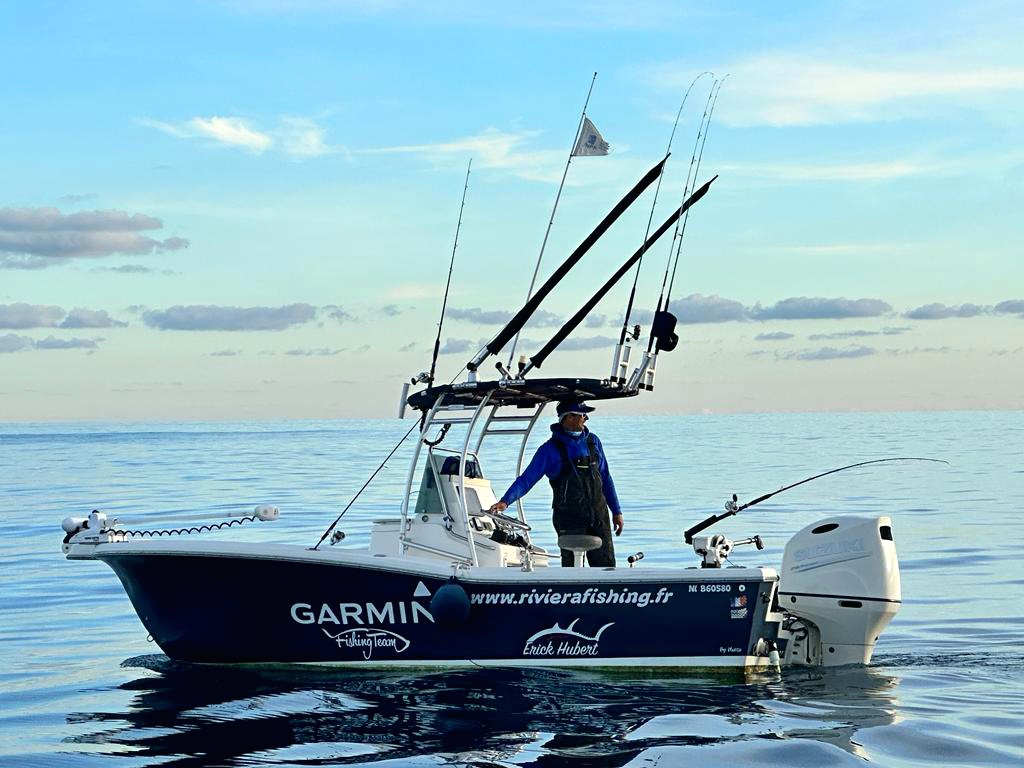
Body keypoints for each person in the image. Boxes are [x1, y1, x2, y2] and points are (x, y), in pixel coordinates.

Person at [488, 401, 623, 567]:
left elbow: (606, 478)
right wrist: (505, 501)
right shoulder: (549, 450)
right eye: (582, 415)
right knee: (571, 568)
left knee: (606, 566)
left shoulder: (593, 442)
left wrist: (616, 511)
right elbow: (526, 479)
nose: (586, 418)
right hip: (569, 517)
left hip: (598, 515)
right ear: (569, 417)